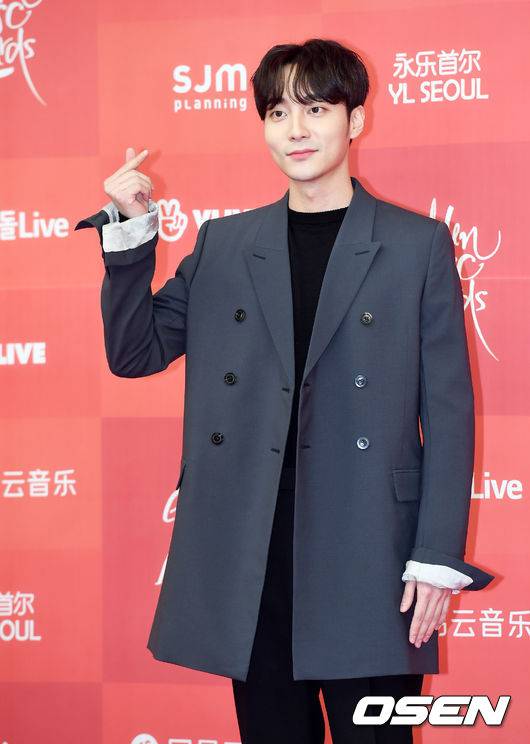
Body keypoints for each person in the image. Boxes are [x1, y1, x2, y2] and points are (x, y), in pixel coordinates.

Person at [75, 37, 494, 744]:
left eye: (316, 108)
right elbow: (135, 352)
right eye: (276, 112)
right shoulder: (225, 245)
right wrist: (131, 231)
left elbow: (449, 415)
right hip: (254, 552)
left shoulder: (416, 245)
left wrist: (435, 555)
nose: (295, 129)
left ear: (355, 120)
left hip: (372, 547)